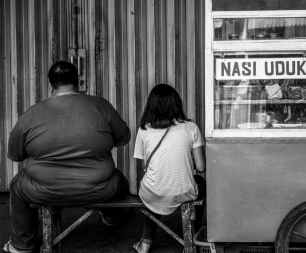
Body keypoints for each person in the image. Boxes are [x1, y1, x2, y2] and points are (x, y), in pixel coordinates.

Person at [3, 61, 131, 253]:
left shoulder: (31, 114)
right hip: (101, 188)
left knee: (16, 186)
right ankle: (112, 218)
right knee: (120, 181)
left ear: (51, 85)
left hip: (43, 190)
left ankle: (21, 246)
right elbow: (123, 138)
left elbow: (15, 154)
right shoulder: (100, 105)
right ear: (77, 81)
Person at [132, 84, 206, 253]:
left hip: (152, 191)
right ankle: (192, 237)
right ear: (176, 104)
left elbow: (144, 166)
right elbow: (201, 167)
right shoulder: (190, 128)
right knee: (200, 182)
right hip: (183, 190)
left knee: (155, 188)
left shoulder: (144, 130)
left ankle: (145, 244)